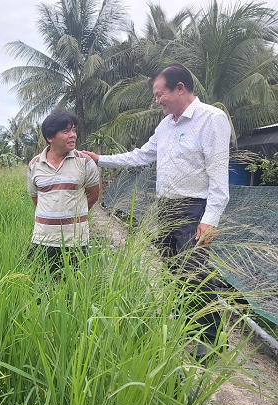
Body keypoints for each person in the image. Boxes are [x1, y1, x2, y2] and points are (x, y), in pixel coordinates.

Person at [83, 64, 231, 360]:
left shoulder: (211, 119)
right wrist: (100, 159)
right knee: (173, 271)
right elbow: (140, 155)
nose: (157, 101)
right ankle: (189, 327)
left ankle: (212, 340)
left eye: (159, 94)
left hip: (194, 208)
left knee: (194, 273)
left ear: (180, 88)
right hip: (166, 208)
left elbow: (218, 174)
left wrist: (210, 220)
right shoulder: (165, 127)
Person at [27, 111, 100, 272]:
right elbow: (36, 199)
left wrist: (73, 215)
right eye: (66, 131)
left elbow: (93, 195)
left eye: (73, 130)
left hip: (75, 240)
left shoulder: (85, 162)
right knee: (41, 287)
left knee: (73, 290)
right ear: (50, 137)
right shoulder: (35, 165)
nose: (72, 135)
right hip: (43, 238)